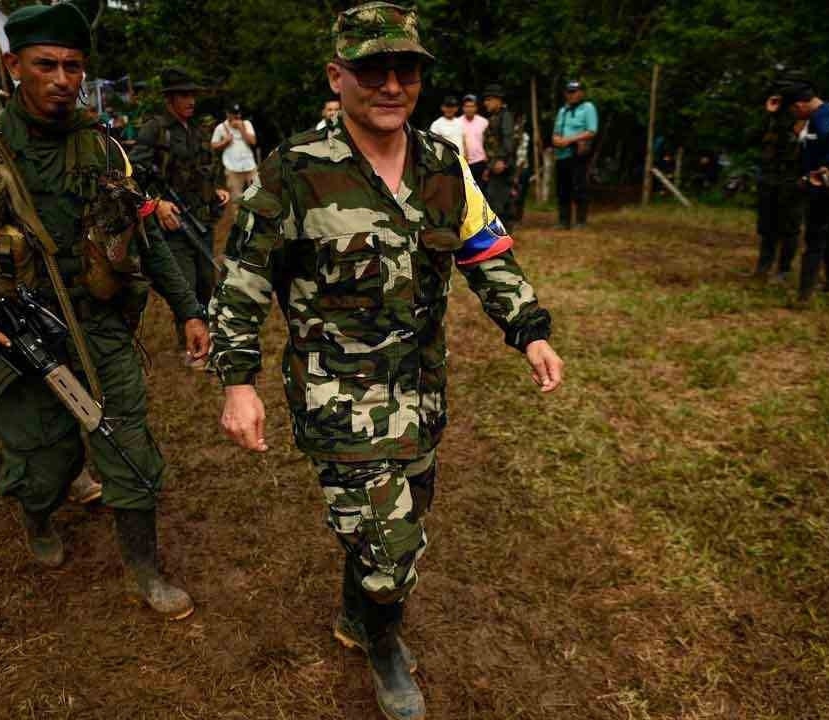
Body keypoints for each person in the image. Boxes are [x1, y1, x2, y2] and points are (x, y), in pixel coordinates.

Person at [209, 4, 564, 718]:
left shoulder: (442, 165)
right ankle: (382, 644)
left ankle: (356, 612)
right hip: (336, 398)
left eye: (406, 70)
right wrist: (237, 382)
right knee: (392, 541)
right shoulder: (296, 171)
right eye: (373, 70)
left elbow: (486, 252)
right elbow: (243, 280)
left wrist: (528, 328)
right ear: (337, 76)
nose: (392, 85)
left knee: (402, 516)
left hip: (421, 392)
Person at [0, 2, 210, 616]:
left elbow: (143, 235)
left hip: (99, 328)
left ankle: (144, 571)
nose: (63, 80)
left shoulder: (101, 145)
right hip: (15, 335)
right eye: (47, 65)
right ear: (14, 65)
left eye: (73, 66)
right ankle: (38, 516)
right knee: (45, 462)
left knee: (127, 447)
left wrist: (188, 309)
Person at [131, 67, 230, 369]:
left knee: (205, 280)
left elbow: (205, 169)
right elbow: (132, 175)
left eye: (193, 95)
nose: (191, 101)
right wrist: (156, 204)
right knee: (184, 283)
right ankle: (190, 344)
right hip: (171, 225)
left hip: (200, 219)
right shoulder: (155, 130)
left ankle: (206, 337)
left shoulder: (197, 130)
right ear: (170, 98)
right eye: (184, 95)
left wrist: (218, 190)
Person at [784, 80, 829, 302]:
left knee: (814, 237)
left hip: (825, 181)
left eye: (793, 110)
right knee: (827, 232)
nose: (794, 115)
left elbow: (822, 138)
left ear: (800, 105)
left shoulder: (820, 117)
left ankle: (804, 294)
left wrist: (815, 172)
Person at [753, 82, 804, 282]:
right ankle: (763, 266)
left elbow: (789, 140)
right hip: (769, 177)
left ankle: (783, 269)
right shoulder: (770, 119)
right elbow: (752, 137)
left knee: (789, 227)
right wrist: (768, 114)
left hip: (791, 178)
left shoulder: (801, 119)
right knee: (767, 226)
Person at [551, 80, 597, 228]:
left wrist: (569, 140)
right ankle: (563, 221)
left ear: (581, 93)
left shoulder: (588, 107)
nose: (571, 95)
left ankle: (580, 221)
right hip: (561, 154)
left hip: (578, 152)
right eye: (569, 92)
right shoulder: (563, 110)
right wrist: (557, 139)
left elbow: (591, 131)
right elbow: (556, 132)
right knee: (563, 188)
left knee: (579, 186)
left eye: (574, 92)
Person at [481, 84, 515, 222]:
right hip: (495, 164)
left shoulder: (505, 116)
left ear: (498, 100)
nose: (485, 103)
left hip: (501, 164)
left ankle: (502, 233)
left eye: (489, 100)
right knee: (494, 198)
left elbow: (508, 141)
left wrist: (502, 160)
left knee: (498, 200)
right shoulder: (495, 117)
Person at [211, 103, 258, 200]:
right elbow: (213, 145)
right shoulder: (221, 127)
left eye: (238, 113)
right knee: (235, 199)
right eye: (234, 113)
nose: (237, 116)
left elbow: (253, 142)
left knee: (257, 194)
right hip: (232, 168)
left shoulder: (246, 124)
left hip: (249, 166)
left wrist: (241, 129)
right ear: (227, 114)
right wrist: (225, 141)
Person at [459, 93, 489, 191]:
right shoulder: (457, 123)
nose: (469, 109)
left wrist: (488, 163)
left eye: (472, 106)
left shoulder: (484, 122)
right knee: (466, 192)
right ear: (463, 108)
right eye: (467, 106)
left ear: (476, 108)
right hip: (463, 163)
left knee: (481, 192)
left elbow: (489, 143)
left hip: (480, 162)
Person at [510, 113, 532, 223]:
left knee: (520, 194)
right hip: (511, 167)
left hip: (521, 169)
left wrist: (516, 175)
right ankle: (512, 217)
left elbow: (522, 159)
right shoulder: (510, 134)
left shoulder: (525, 136)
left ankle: (518, 218)